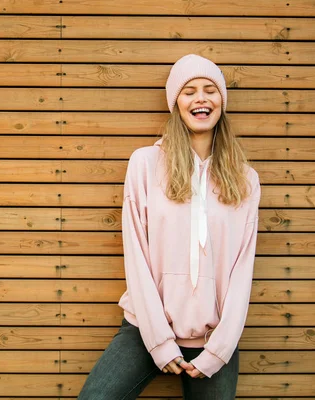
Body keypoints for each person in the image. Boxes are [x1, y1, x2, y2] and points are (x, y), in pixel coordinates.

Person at [78, 54, 261, 399]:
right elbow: (136, 256)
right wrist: (160, 342)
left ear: (222, 100)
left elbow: (242, 272)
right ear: (176, 103)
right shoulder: (145, 164)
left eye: (210, 90)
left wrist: (219, 350)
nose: (201, 99)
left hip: (214, 337)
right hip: (144, 328)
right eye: (189, 91)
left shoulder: (246, 180)